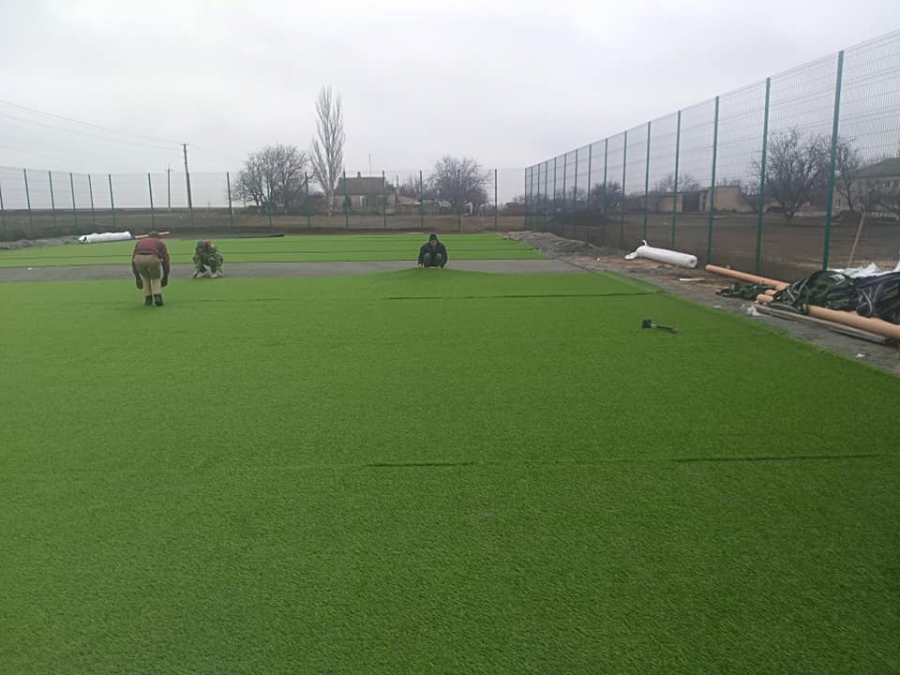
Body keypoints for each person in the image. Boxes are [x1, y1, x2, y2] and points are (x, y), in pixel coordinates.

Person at [131, 232, 170, 306]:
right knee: (155, 277)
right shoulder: (160, 243)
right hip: (152, 257)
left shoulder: (140, 242)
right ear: (158, 237)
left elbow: (133, 260)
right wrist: (165, 276)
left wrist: (137, 277)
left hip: (138, 258)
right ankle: (157, 297)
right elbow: (166, 260)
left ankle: (148, 299)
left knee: (145, 277)